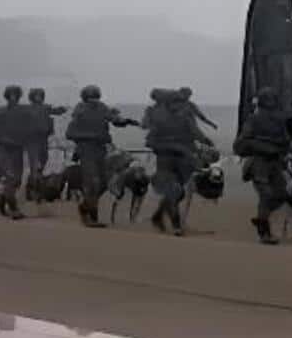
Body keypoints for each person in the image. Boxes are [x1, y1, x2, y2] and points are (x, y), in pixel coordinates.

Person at [235, 85, 292, 244]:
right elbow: (241, 143)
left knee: (280, 195)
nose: (271, 103)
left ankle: (261, 218)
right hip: (259, 163)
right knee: (266, 195)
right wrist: (265, 147)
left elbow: (286, 139)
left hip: (276, 163)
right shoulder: (254, 120)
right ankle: (264, 232)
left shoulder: (278, 120)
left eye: (273, 100)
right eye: (269, 100)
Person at [64, 86, 137, 228]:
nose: (94, 101)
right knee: (93, 182)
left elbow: (113, 119)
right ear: (85, 99)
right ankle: (91, 216)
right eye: (91, 98)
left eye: (96, 98)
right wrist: (90, 136)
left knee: (103, 183)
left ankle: (86, 207)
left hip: (101, 150)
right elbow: (70, 133)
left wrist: (125, 121)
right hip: (86, 151)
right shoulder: (80, 112)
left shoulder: (102, 108)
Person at [144, 89, 197, 236]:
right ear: (168, 104)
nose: (179, 106)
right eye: (175, 103)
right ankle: (176, 225)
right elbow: (150, 140)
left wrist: (204, 142)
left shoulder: (185, 117)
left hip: (183, 161)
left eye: (180, 102)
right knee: (173, 191)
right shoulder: (159, 119)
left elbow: (194, 133)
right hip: (165, 160)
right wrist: (171, 145)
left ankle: (158, 216)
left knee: (178, 193)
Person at [0, 85, 30, 218]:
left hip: (17, 148)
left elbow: (30, 129)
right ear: (6, 97)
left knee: (17, 180)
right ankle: (13, 208)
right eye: (11, 95)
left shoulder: (24, 112)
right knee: (11, 177)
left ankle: (1, 197)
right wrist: (2, 139)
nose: (13, 98)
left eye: (15, 96)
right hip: (4, 149)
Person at [23, 87, 67, 196]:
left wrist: (62, 109)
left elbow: (55, 111)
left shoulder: (46, 107)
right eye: (36, 95)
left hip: (43, 139)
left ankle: (34, 184)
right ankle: (34, 188)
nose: (38, 97)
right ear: (32, 97)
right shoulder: (27, 109)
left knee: (43, 160)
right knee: (35, 163)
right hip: (31, 140)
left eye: (40, 95)